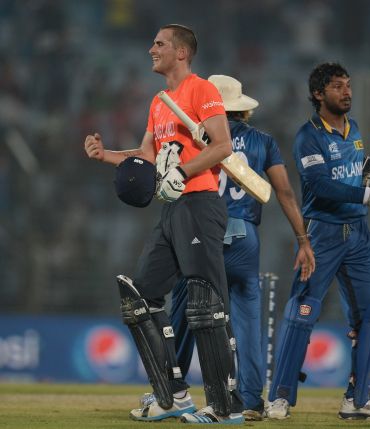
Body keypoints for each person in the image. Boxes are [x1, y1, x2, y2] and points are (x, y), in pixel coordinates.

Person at [84, 24, 245, 425]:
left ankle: (226, 407)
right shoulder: (160, 102)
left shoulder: (201, 89)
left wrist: (184, 172)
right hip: (172, 210)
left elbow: (223, 146)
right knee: (140, 296)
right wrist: (105, 155)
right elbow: (144, 155)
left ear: (182, 52)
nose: (151, 48)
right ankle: (172, 396)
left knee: (206, 304)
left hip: (200, 203)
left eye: (159, 43)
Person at [166, 74, 316, 422]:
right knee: (248, 319)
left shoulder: (195, 136)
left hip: (203, 233)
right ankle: (250, 399)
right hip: (246, 237)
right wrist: (303, 240)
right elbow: (284, 193)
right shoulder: (263, 141)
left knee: (187, 313)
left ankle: (172, 390)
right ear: (243, 111)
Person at [265, 62, 370, 421]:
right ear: (318, 94)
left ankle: (358, 400)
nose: (347, 92)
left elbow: (357, 174)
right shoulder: (307, 136)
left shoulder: (355, 129)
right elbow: (320, 186)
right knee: (303, 312)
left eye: (349, 85)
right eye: (338, 87)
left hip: (357, 235)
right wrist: (365, 195)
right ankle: (279, 397)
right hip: (323, 233)